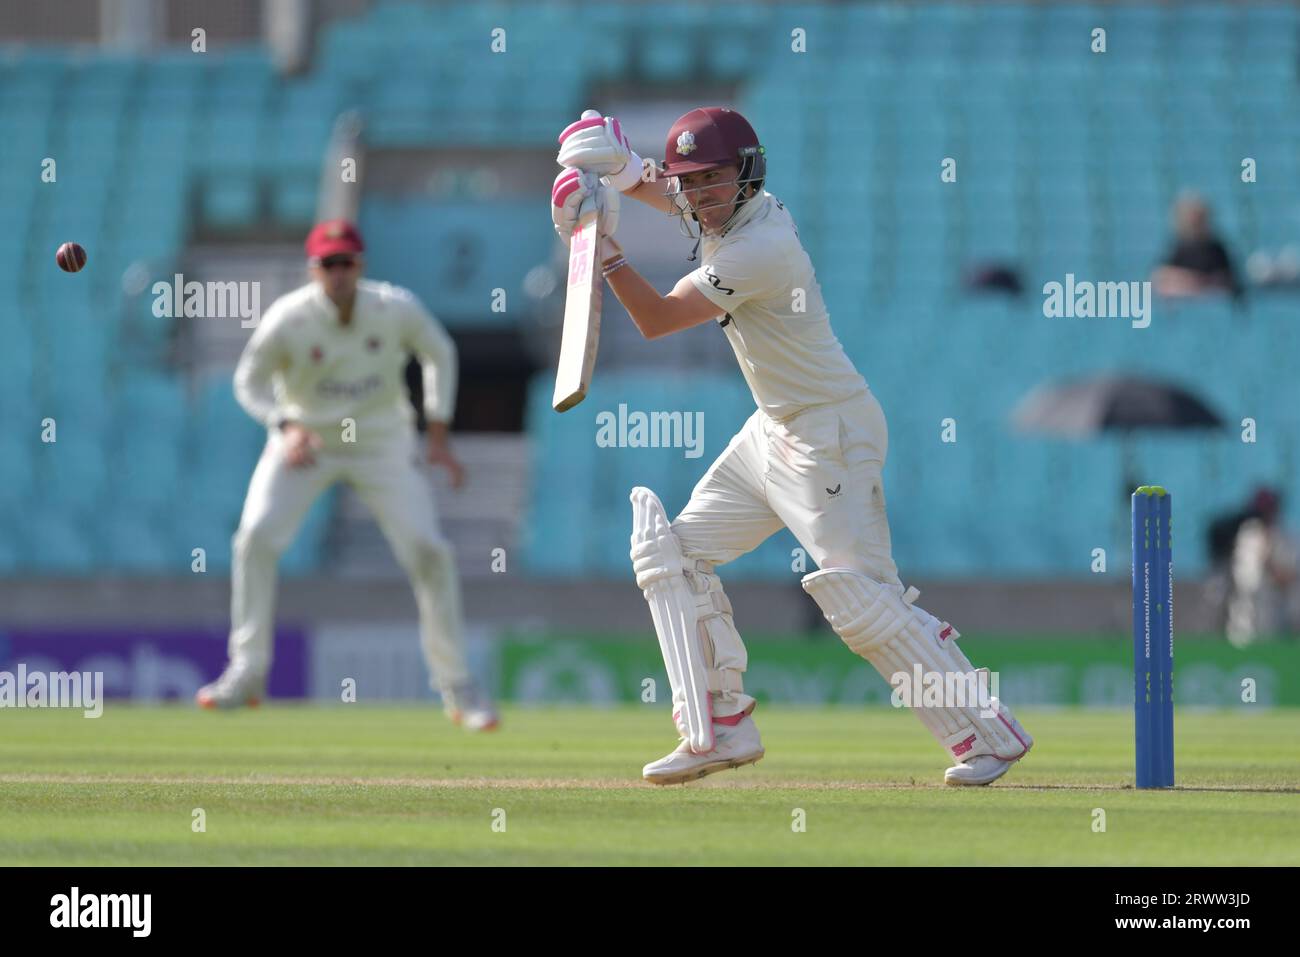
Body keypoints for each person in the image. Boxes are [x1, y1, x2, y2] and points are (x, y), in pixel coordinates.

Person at [551, 108, 1032, 785]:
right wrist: (627, 171)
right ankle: (719, 727)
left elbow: (657, 320)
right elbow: (677, 197)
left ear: (749, 176)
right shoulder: (728, 211)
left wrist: (602, 249)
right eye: (691, 182)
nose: (701, 195)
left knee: (862, 602)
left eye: (715, 180)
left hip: (827, 433)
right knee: (672, 555)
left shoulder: (762, 247)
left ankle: (989, 731)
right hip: (773, 429)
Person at [196, 219, 498, 730]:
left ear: (360, 266)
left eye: (346, 263)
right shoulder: (288, 318)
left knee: (429, 551)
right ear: (313, 269)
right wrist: (285, 423)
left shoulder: (394, 306)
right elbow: (249, 381)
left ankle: (457, 686)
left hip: (381, 441)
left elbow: (439, 351)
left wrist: (439, 432)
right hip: (306, 443)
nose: (337, 273)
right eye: (328, 264)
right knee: (255, 539)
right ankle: (247, 671)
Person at [1225, 487, 1296, 647]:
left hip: (1274, 615)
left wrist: (1268, 561)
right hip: (1245, 615)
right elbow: (1241, 576)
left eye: (1268, 510)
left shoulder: (1286, 536)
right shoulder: (1248, 534)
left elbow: (1288, 577)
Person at [1151, 193, 1243, 299]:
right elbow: (1159, 276)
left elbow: (1227, 280)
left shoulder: (1216, 250)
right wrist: (1189, 280)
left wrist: (1201, 283)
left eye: (1198, 219)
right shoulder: (1179, 248)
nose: (1194, 223)